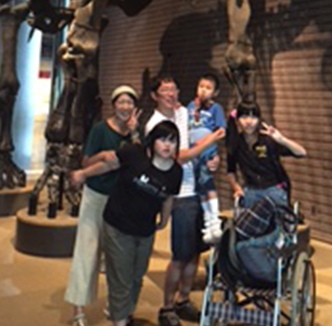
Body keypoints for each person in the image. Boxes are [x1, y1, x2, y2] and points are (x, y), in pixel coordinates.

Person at [71, 120, 184, 326]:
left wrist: (164, 220)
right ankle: (120, 320)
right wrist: (83, 174)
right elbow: (108, 165)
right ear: (153, 141)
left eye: (172, 141)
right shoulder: (135, 153)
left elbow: (168, 198)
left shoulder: (176, 172)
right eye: (162, 139)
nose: (167, 145)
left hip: (145, 230)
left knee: (136, 277)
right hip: (118, 225)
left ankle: (124, 314)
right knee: (121, 278)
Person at [145, 76, 225, 326]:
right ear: (154, 96)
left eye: (174, 89)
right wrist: (210, 141)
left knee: (194, 253)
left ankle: (183, 300)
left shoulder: (183, 112)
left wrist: (213, 159)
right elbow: (178, 157)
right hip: (179, 194)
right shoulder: (155, 124)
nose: (171, 94)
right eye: (165, 90)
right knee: (180, 255)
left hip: (198, 189)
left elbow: (197, 136)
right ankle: (167, 307)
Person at [65, 85, 140, 326]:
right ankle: (78, 311)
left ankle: (115, 306)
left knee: (117, 257)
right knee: (87, 251)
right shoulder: (100, 129)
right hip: (96, 196)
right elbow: (87, 161)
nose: (125, 107)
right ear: (114, 104)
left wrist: (135, 133)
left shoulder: (135, 132)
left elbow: (140, 159)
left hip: (122, 200)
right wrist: (102, 155)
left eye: (130, 103)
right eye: (121, 102)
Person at [227, 102, 306, 209]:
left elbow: (301, 152)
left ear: (259, 120)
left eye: (253, 117)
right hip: (251, 191)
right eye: (244, 117)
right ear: (237, 120)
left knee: (277, 219)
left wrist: (281, 139)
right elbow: (230, 171)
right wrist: (237, 188)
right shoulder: (235, 143)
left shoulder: (267, 140)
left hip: (274, 190)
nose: (249, 121)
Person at [187, 74, 226, 243]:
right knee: (200, 188)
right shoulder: (190, 106)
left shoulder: (216, 109)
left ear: (215, 92)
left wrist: (208, 141)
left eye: (208, 88)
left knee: (207, 183)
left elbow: (221, 131)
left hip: (206, 152)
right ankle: (208, 223)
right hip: (192, 154)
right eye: (201, 86)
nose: (203, 90)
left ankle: (215, 221)